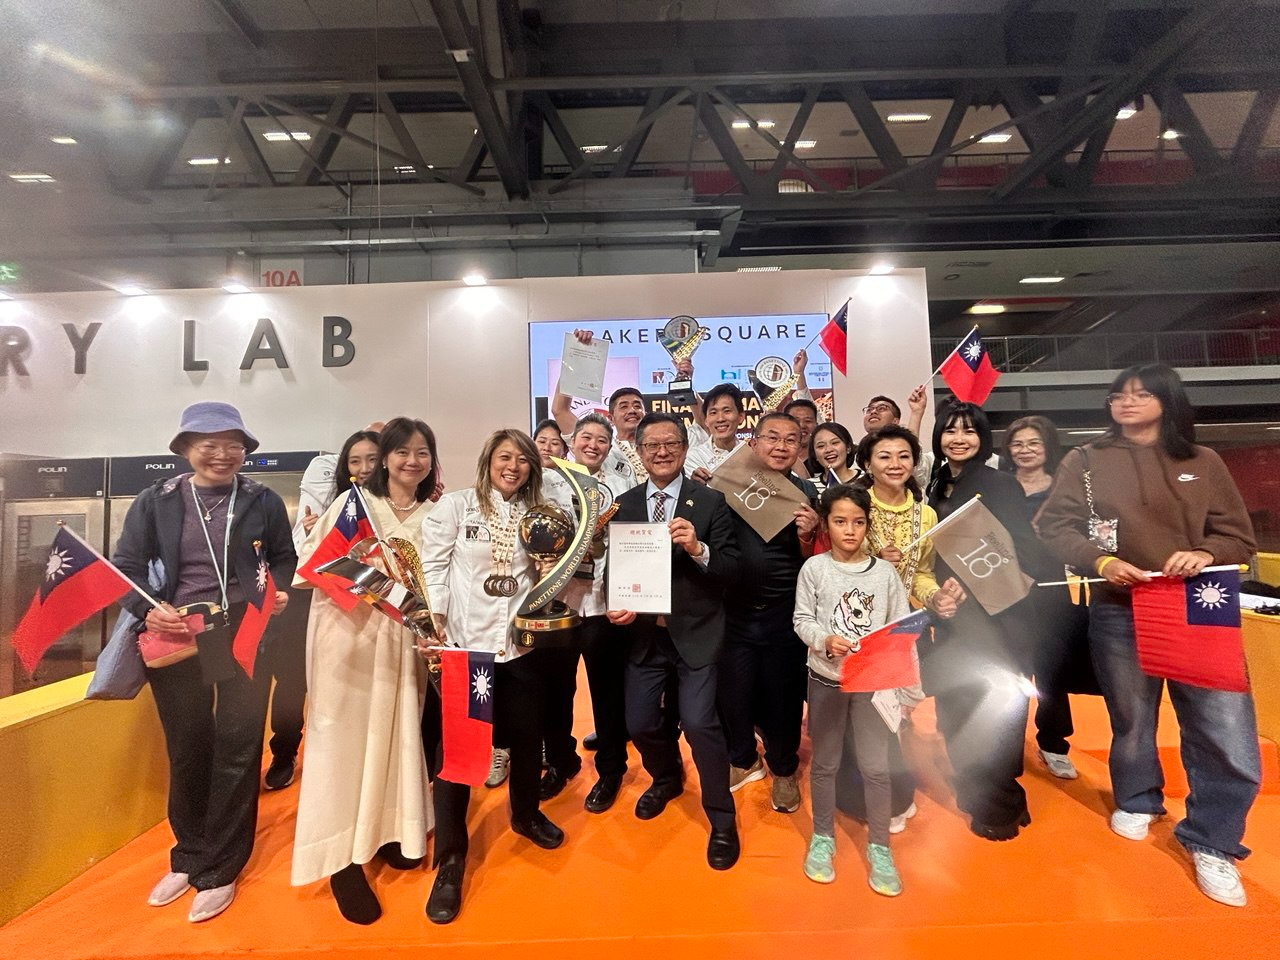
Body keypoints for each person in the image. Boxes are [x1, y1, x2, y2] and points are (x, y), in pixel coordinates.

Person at [1036, 364, 1260, 907]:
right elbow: (1053, 526)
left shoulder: (1203, 461)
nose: (1126, 402)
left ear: (1168, 399)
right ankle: (1138, 798)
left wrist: (1205, 552)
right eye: (1118, 395)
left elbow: (1238, 538)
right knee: (1131, 717)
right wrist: (1101, 561)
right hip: (1120, 606)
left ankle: (1214, 840)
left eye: (1140, 394)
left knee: (1222, 725)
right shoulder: (1085, 460)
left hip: (1199, 606)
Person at [113, 401, 295, 923]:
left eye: (233, 445)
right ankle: (188, 854)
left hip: (244, 633)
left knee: (238, 746)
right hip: (177, 633)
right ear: (186, 449)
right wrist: (149, 609)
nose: (222, 454)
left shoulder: (261, 500)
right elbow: (124, 567)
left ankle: (221, 866)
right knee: (188, 746)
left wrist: (277, 590)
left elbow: (283, 558)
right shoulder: (157, 501)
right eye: (209, 444)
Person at [290, 418, 440, 925]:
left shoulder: (436, 515)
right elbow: (314, 566)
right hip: (347, 635)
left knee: (397, 735)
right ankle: (340, 860)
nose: (412, 461)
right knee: (342, 741)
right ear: (385, 458)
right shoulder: (354, 505)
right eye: (402, 452)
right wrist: (373, 585)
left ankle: (393, 829)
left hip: (404, 643)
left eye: (422, 453)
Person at [418, 429, 567, 924]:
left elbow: (545, 577)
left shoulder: (538, 514)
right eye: (505, 457)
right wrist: (436, 623)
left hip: (520, 648)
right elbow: (433, 568)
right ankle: (451, 859)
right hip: (467, 650)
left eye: (523, 460)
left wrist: (551, 568)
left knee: (526, 740)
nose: (514, 466)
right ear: (488, 461)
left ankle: (524, 815)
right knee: (459, 757)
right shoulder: (457, 507)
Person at [606, 412, 742, 869]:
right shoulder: (623, 505)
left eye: (671, 444)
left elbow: (732, 568)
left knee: (700, 723)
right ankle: (666, 777)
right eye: (652, 445)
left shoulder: (711, 501)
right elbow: (615, 569)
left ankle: (722, 817)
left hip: (698, 632)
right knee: (641, 722)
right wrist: (616, 603)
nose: (662, 452)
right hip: (645, 636)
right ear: (639, 451)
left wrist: (699, 549)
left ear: (685, 448)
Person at [836, 424, 963, 832]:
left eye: (904, 456)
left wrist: (934, 598)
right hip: (855, 628)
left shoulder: (925, 514)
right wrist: (873, 563)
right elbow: (832, 565)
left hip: (904, 629)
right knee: (860, 718)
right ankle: (861, 797)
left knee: (896, 718)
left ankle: (894, 795)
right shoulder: (852, 505)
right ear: (867, 463)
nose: (895, 464)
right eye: (884, 456)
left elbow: (921, 574)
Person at [924, 401, 1038, 841]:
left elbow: (1022, 549)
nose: (959, 439)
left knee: (998, 708)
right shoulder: (936, 484)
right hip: (952, 615)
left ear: (983, 438)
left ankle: (1001, 803)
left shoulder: (1000, 484)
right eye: (950, 430)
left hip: (1000, 615)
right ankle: (974, 784)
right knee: (957, 701)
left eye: (969, 431)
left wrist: (979, 584)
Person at [794, 484, 910, 895]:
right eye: (840, 521)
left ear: (867, 525)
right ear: (826, 524)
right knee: (825, 763)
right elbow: (802, 619)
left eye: (858, 522)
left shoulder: (884, 574)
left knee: (876, 767)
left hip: (872, 684)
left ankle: (880, 846)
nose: (850, 530)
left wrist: (904, 689)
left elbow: (900, 629)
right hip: (826, 680)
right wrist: (824, 640)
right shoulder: (815, 569)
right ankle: (822, 837)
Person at [265, 428, 381, 793]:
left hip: (369, 603)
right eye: (355, 461)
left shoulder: (396, 503)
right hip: (312, 597)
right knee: (293, 677)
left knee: (358, 679)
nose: (364, 468)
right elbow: (301, 553)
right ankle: (284, 752)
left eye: (373, 459)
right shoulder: (330, 503)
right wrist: (316, 534)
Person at [717, 412, 820, 814]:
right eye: (772, 437)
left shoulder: (806, 493)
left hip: (784, 614)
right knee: (733, 694)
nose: (781, 446)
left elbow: (815, 560)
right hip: (733, 611)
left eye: (791, 439)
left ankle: (784, 767)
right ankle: (743, 759)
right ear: (754, 442)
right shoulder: (726, 484)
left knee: (784, 697)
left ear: (799, 447)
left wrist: (809, 533)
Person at [540, 413, 635, 813]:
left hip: (602, 604)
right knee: (556, 690)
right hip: (557, 601)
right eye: (586, 437)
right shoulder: (548, 482)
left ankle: (611, 769)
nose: (593, 445)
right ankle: (560, 761)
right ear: (572, 442)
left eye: (601, 440)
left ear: (609, 447)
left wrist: (627, 595)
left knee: (607, 692)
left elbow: (631, 544)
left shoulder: (621, 486)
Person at [1003, 415, 1093, 781]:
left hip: (1050, 588)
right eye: (1017, 444)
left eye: (1033, 443)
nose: (1025, 450)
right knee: (1009, 666)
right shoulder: (1000, 485)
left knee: (1051, 668)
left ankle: (1053, 742)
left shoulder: (1063, 487)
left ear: (1047, 447)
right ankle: (1006, 743)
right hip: (1006, 588)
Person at [550, 329, 707, 487]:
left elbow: (703, 424)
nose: (632, 410)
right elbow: (560, 411)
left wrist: (685, 382)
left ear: (645, 414)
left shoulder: (667, 443)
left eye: (637, 406)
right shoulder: (603, 447)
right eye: (623, 406)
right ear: (611, 418)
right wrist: (577, 356)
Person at [686, 382, 746, 482]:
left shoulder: (752, 455)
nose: (720, 419)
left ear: (741, 417)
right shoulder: (694, 457)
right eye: (713, 413)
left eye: (727, 411)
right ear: (706, 420)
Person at [807, 421, 861, 490]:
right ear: (814, 454)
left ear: (848, 448)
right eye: (821, 446)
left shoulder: (868, 479)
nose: (828, 450)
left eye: (835, 443)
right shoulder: (809, 487)